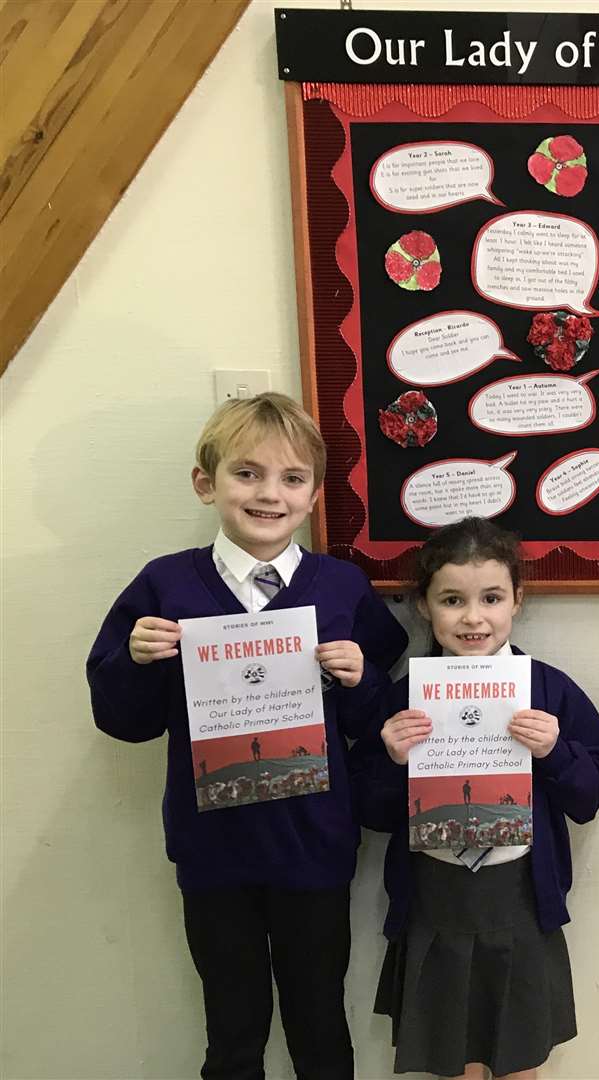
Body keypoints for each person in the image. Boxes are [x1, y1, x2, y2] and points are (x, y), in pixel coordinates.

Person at [86, 391, 408, 1079]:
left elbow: (376, 723)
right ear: (207, 483)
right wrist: (135, 662)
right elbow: (124, 722)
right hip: (214, 849)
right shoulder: (165, 586)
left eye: (292, 478)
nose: (270, 494)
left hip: (314, 844)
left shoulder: (342, 587)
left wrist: (360, 680)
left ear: (315, 494)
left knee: (319, 1021)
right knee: (232, 1032)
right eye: (247, 473)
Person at [351, 516, 599, 1080]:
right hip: (435, 901)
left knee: (519, 1057)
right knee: (452, 1058)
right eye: (452, 599)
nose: (473, 618)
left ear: (517, 601)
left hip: (519, 900)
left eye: (491, 598)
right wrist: (396, 763)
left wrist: (554, 751)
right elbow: (368, 810)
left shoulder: (546, 688)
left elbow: (592, 790)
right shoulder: (406, 700)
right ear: (424, 606)